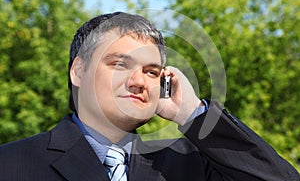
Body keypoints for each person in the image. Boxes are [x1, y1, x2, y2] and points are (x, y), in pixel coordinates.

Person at [0, 12, 298, 181]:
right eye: (119, 64)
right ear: (78, 71)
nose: (138, 81)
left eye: (153, 71)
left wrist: (192, 114)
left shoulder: (190, 166)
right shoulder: (11, 164)